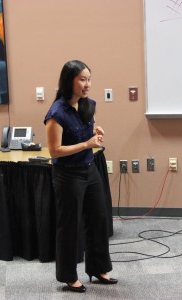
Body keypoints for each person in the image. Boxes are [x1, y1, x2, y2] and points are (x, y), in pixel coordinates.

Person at [44, 60, 117, 293]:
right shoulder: (56, 113)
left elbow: (88, 126)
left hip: (89, 168)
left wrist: (96, 130)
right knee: (69, 225)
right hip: (67, 174)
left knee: (98, 218)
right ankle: (68, 276)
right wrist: (87, 143)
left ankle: (98, 269)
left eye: (89, 79)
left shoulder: (87, 105)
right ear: (70, 81)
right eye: (82, 79)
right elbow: (55, 151)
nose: (87, 84)